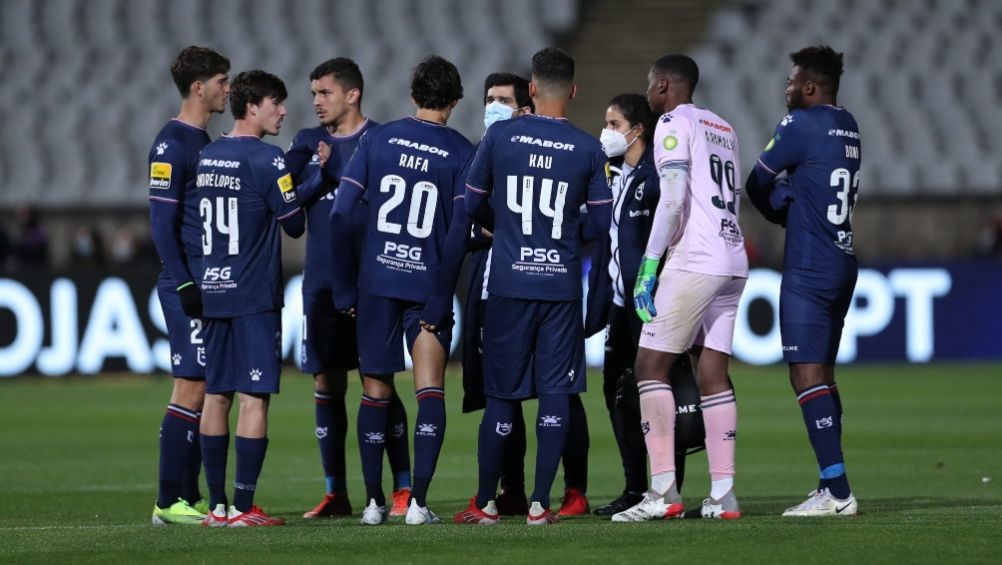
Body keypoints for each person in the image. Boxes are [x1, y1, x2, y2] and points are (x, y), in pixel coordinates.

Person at [455, 46, 612, 526]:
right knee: (555, 393)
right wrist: (562, 233)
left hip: (507, 283)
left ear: (530, 89)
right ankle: (542, 504)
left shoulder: (501, 136)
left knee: (502, 396)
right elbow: (601, 222)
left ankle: (485, 503)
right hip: (560, 288)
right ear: (574, 91)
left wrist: (504, 229)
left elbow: (469, 201)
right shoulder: (588, 148)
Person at [330, 55, 474, 526]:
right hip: (427, 285)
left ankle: (373, 503)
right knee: (429, 388)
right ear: (454, 101)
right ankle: (419, 504)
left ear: (413, 95)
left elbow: (341, 215)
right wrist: (442, 291)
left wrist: (346, 284)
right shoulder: (460, 151)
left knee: (375, 392)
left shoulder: (378, 138)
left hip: (377, 282)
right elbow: (457, 233)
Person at [612, 54, 748, 522]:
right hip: (734, 260)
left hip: (695, 259)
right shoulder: (724, 127)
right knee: (713, 375)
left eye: (651, 85)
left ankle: (663, 491)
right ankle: (723, 494)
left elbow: (672, 199)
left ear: (665, 85)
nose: (648, 93)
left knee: (650, 365)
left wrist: (650, 266)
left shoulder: (672, 122)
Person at [286, 57, 413, 520]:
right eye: (314, 94)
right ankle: (335, 492)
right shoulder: (304, 144)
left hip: (371, 281)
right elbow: (286, 206)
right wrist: (317, 175)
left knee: (378, 379)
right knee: (326, 381)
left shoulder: (380, 141)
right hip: (319, 284)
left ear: (353, 94)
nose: (316, 102)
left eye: (325, 93)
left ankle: (401, 488)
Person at [744, 45, 861, 517]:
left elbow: (755, 183)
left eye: (792, 81)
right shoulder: (848, 124)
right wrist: (795, 195)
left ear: (810, 87)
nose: (787, 88)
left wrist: (780, 207)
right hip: (843, 259)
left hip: (809, 265)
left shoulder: (800, 124)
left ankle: (837, 492)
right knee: (824, 378)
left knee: (805, 375)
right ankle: (827, 484)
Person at [196, 70, 305, 527]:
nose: (282, 111)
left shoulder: (207, 155)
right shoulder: (268, 158)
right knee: (254, 397)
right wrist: (314, 173)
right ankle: (244, 505)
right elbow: (294, 222)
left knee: (215, 396)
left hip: (211, 290)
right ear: (251, 106)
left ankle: (217, 506)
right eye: (275, 103)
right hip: (253, 295)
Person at [147, 45, 230, 526]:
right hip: (188, 283)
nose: (228, 88)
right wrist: (182, 284)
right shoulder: (172, 143)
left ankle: (188, 494)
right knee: (191, 386)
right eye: (222, 80)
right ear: (199, 87)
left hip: (210, 281)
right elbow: (161, 223)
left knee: (207, 386)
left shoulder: (205, 141)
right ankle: (165, 501)